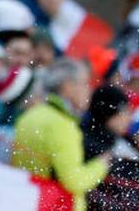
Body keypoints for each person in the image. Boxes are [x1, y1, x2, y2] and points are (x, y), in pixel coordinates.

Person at [11, 58, 110, 211]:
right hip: (55, 205)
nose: (89, 90)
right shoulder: (62, 126)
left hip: (26, 201)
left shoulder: (30, 115)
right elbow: (74, 181)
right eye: (84, 84)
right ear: (68, 87)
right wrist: (101, 165)